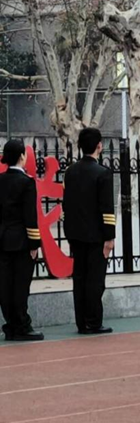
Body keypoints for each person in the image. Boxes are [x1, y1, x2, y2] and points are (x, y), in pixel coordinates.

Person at [63, 128, 115, 335]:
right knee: (95, 280)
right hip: (96, 236)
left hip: (76, 234)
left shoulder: (70, 171)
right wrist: (109, 237)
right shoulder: (102, 173)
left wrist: (68, 231)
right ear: (99, 146)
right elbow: (107, 209)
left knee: (80, 279)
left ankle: (81, 322)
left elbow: (67, 205)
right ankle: (93, 321)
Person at [0, 140, 44, 341]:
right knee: (20, 285)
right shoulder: (26, 182)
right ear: (21, 156)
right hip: (21, 241)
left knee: (5, 285)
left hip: (3, 239)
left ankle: (10, 324)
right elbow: (30, 216)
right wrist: (34, 244)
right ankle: (22, 325)